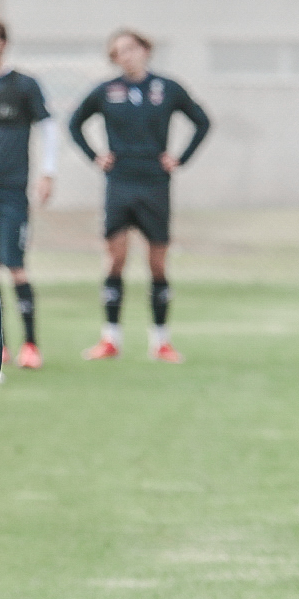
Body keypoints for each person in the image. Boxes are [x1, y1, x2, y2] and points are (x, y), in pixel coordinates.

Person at [68, 29, 211, 362]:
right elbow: (74, 123)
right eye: (118, 52)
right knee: (115, 258)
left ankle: (161, 342)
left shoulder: (168, 88)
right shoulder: (106, 91)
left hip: (155, 185)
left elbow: (202, 122)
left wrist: (180, 158)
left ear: (146, 50)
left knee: (157, 263)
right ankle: (110, 339)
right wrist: (95, 156)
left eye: (131, 48)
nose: (126, 55)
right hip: (119, 184)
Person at [0, 19, 58, 370]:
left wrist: (48, 173)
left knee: (16, 266)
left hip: (11, 192)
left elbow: (48, 127)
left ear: (2, 43)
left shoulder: (23, 85)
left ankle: (30, 344)